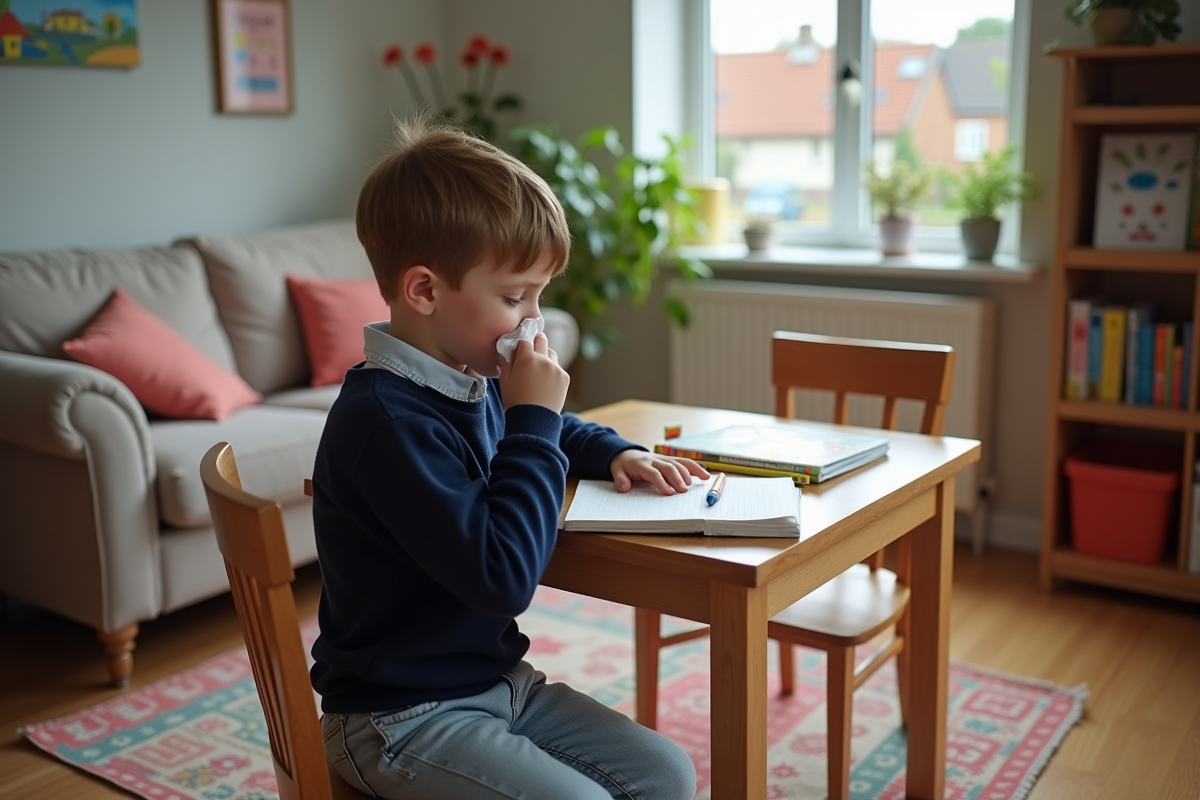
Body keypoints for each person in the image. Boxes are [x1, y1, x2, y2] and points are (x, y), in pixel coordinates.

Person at [310, 114, 708, 800]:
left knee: (667, 774)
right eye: (515, 296)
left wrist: (616, 451)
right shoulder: (385, 422)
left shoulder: (466, 381)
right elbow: (502, 578)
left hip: (496, 683)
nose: (534, 322)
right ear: (426, 291)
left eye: (539, 297)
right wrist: (531, 416)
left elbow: (546, 431)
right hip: (398, 715)